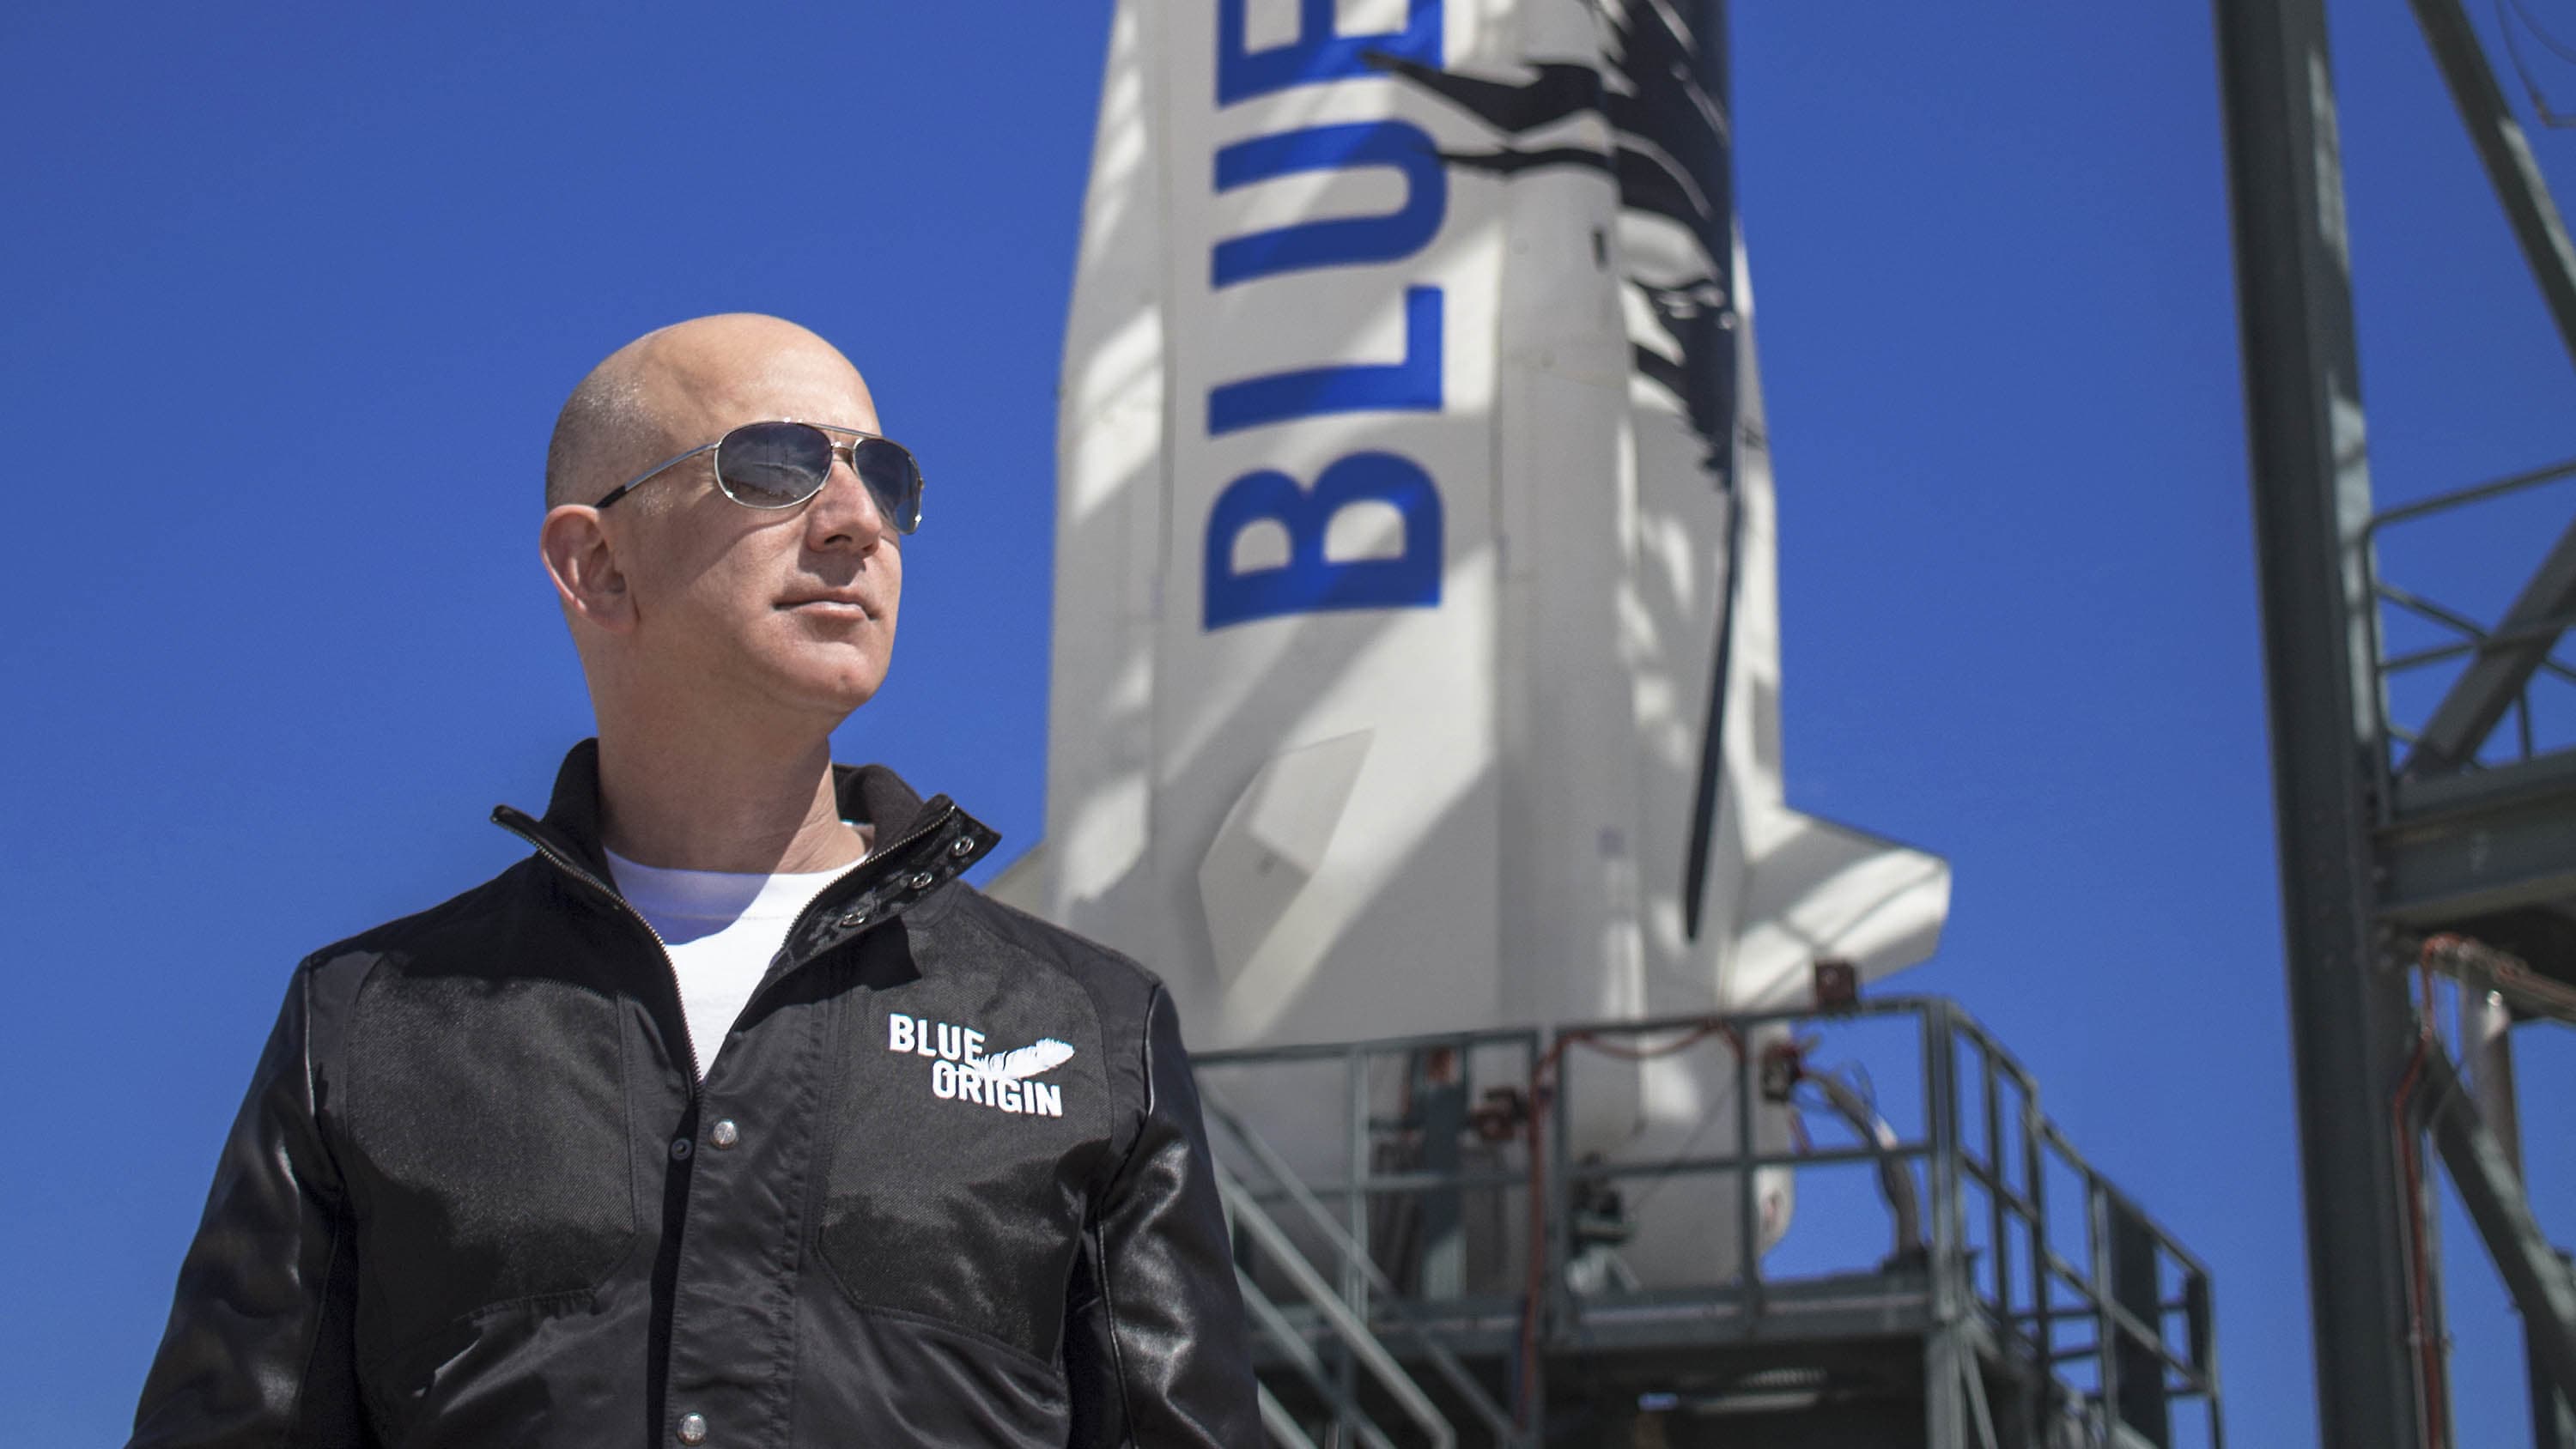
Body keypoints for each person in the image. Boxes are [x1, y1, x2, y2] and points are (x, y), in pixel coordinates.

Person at [129, 314, 1260, 1447]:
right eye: (776, 464)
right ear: (597, 565)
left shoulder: (1089, 1033)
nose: (857, 520)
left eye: (883, 475)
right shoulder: (370, 1027)